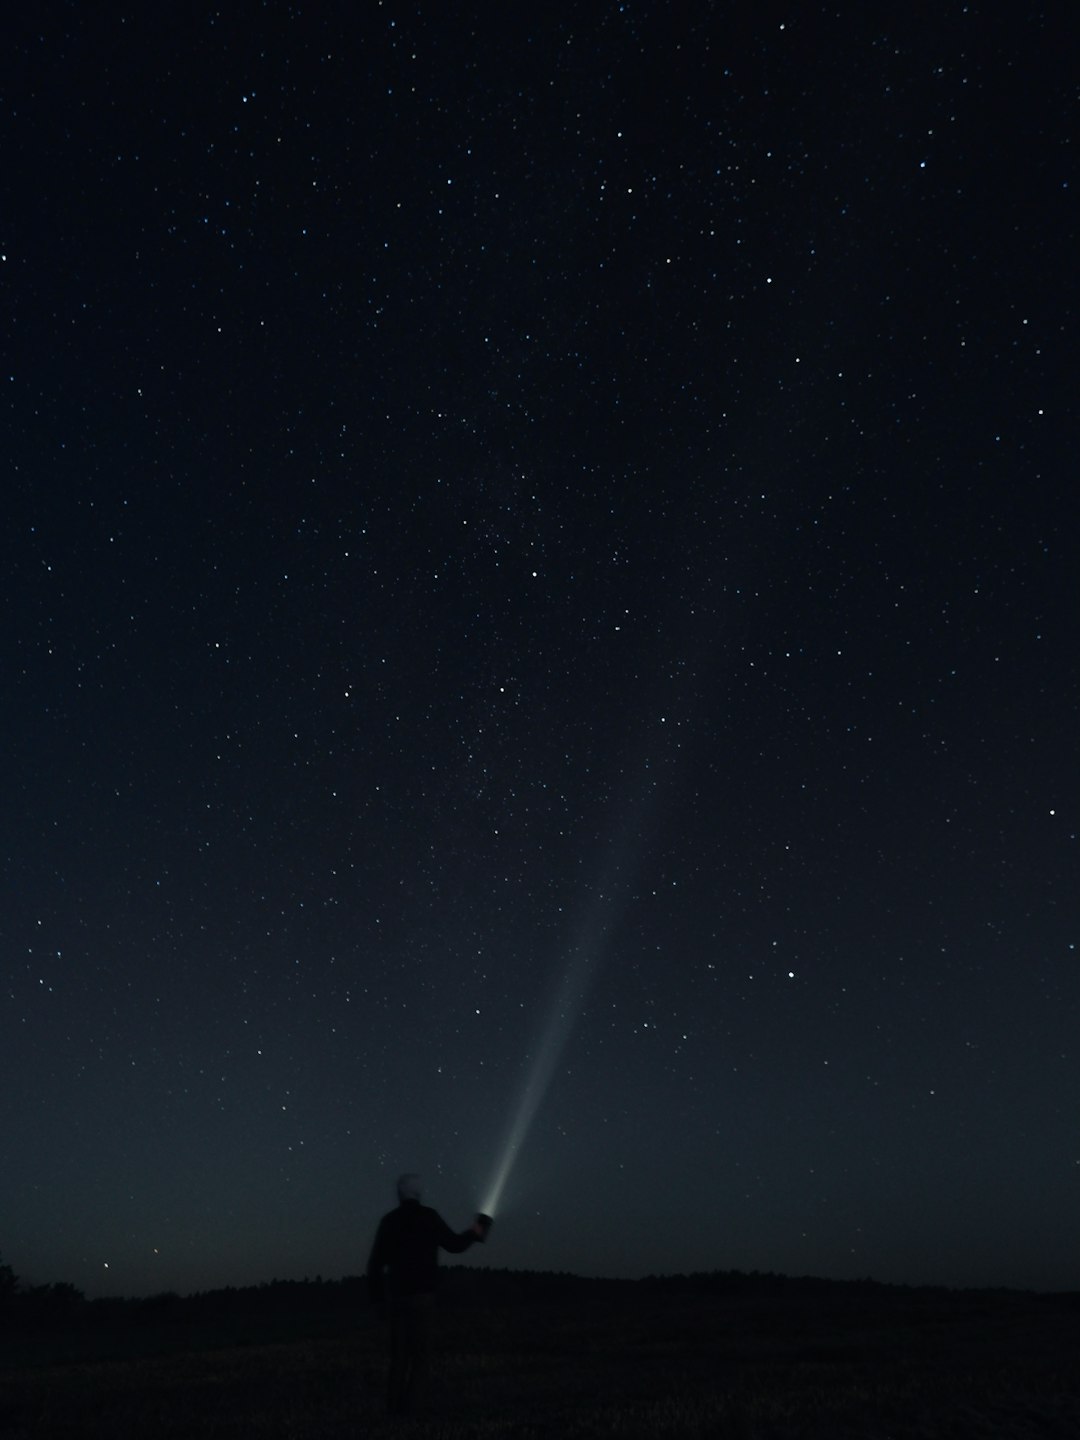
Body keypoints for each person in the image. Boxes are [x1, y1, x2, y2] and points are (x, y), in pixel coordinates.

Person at [366, 1174, 492, 1416]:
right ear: (419, 1193)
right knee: (421, 1358)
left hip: (397, 1298)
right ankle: (411, 1413)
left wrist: (377, 1300)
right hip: (423, 1297)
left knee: (399, 1358)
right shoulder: (429, 1217)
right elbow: (455, 1244)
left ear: (399, 1194)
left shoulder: (389, 1221)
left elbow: (375, 1264)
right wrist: (475, 1232)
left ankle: (393, 1412)